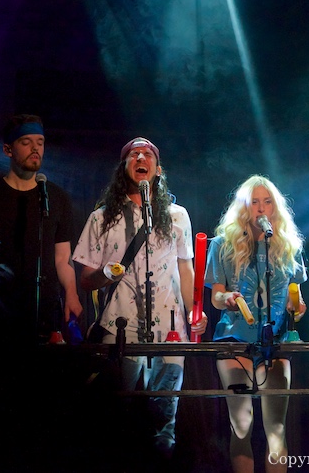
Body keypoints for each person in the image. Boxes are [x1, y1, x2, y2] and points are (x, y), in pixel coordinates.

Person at [72, 137, 206, 462]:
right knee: (121, 411)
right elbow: (84, 278)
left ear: (158, 170)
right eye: (134, 154)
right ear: (124, 168)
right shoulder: (102, 218)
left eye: (148, 155)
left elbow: (186, 269)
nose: (141, 157)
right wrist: (105, 274)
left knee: (164, 418)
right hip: (121, 326)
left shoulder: (178, 216)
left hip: (171, 326)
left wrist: (195, 312)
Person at [205, 175, 307, 473]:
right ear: (243, 208)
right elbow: (215, 295)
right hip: (234, 339)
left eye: (268, 202)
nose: (261, 209)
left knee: (276, 428)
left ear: (276, 207)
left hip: (275, 342)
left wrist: (297, 307)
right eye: (254, 203)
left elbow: (296, 298)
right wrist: (226, 298)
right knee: (242, 424)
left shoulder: (288, 245)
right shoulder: (223, 244)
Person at [0, 114, 82, 345]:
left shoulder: (56, 197)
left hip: (45, 319)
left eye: (40, 142)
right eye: (26, 142)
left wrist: (72, 294)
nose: (35, 148)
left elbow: (63, 258)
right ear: (8, 150)